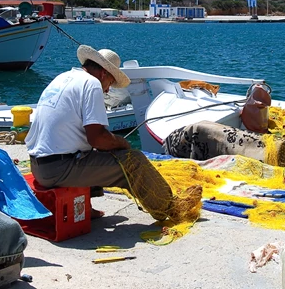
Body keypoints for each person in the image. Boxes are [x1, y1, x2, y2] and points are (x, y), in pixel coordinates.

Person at [25, 45, 202, 222]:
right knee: (134, 162)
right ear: (103, 74)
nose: (108, 90)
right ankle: (170, 208)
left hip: (40, 165)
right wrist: (123, 145)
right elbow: (97, 138)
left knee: (95, 154)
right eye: (110, 83)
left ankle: (84, 207)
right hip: (57, 169)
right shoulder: (92, 83)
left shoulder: (63, 78)